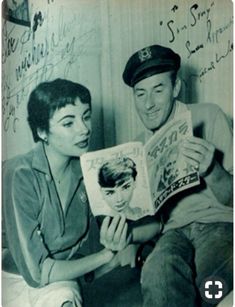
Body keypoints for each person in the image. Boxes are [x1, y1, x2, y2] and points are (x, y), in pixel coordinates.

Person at [2, 79, 132, 307]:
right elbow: (37, 273)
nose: (84, 129)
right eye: (68, 122)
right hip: (12, 282)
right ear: (42, 131)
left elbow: (123, 228)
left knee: (64, 300)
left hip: (60, 282)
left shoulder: (90, 172)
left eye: (86, 116)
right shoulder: (20, 174)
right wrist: (106, 255)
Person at [122, 44, 233, 306]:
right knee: (156, 272)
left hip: (220, 224)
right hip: (173, 234)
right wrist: (128, 237)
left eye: (158, 90)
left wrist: (211, 170)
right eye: (140, 94)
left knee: (207, 284)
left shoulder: (208, 115)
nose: (148, 104)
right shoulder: (138, 149)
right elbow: (154, 225)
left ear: (176, 88)